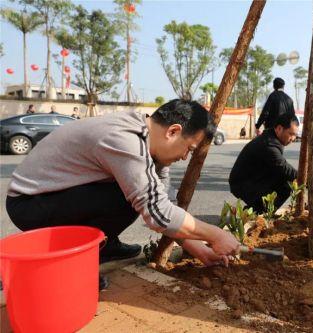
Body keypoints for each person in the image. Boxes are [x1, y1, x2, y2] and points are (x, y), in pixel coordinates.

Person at [6, 99, 240, 290]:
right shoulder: (125, 140)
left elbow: (163, 206)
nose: (184, 157)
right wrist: (216, 235)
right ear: (173, 131)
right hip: (30, 202)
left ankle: (102, 246)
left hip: (59, 195)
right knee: (130, 196)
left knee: (139, 193)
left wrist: (197, 247)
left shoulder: (149, 146)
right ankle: (76, 267)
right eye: (188, 149)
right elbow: (157, 213)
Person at [230, 113, 299, 213]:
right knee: (287, 184)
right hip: (241, 184)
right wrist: (306, 180)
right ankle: (259, 212)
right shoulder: (269, 144)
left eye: (295, 135)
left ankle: (254, 210)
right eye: (291, 134)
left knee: (284, 180)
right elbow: (284, 168)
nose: (293, 139)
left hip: (252, 178)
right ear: (279, 128)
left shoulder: (272, 138)